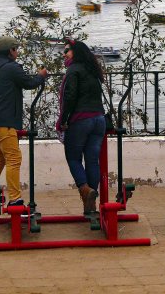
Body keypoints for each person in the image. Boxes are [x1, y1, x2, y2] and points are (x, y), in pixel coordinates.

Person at [0, 36, 48, 211]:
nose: (17, 51)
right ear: (10, 51)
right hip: (3, 122)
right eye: (16, 48)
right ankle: (15, 200)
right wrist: (41, 76)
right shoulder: (11, 68)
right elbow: (29, 83)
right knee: (14, 158)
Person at [56, 39, 106, 214]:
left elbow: (69, 97)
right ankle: (90, 206)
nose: (64, 54)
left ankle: (85, 190)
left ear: (75, 52)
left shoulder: (73, 70)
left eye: (67, 50)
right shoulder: (93, 70)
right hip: (99, 119)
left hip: (81, 120)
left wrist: (63, 120)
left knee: (73, 158)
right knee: (92, 160)